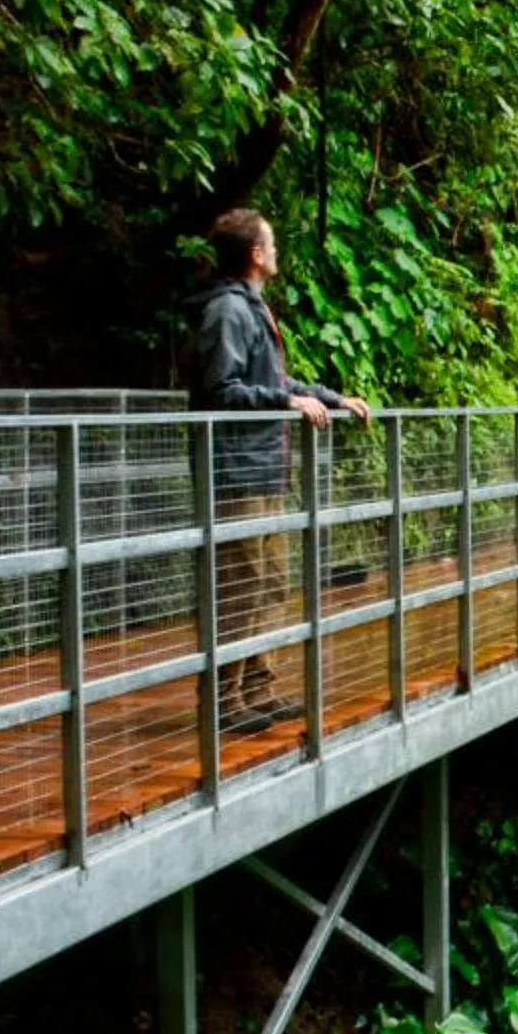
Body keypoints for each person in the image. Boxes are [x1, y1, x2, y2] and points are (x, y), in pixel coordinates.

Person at [187, 208, 372, 735]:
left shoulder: (253, 308)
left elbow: (275, 381)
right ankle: (223, 700)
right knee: (239, 586)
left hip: (265, 468)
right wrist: (285, 402)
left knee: (270, 582)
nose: (277, 252)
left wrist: (332, 398)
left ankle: (257, 688)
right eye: (271, 244)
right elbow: (221, 391)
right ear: (255, 254)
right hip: (235, 472)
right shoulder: (228, 311)